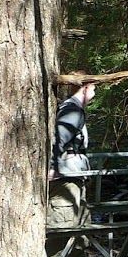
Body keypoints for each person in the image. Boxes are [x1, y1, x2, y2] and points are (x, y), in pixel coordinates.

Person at [48, 82, 94, 229]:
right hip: (65, 178)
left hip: (73, 176)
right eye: (94, 88)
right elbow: (59, 139)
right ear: (85, 88)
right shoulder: (72, 110)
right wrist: (53, 167)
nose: (95, 93)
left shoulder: (72, 108)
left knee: (80, 230)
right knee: (62, 229)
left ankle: (77, 251)